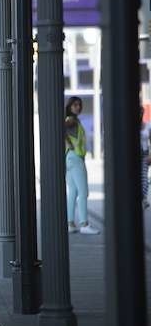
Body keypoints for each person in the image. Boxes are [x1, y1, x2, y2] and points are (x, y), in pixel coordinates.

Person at [65, 96, 100, 235]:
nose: (78, 107)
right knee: (84, 191)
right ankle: (84, 224)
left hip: (71, 159)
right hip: (75, 158)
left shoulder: (74, 120)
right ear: (69, 106)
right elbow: (61, 127)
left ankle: (70, 223)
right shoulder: (71, 120)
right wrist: (69, 145)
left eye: (79, 105)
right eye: (74, 105)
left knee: (73, 192)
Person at [140, 107, 151, 209]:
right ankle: (142, 199)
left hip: (144, 154)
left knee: (144, 178)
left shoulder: (148, 126)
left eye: (141, 112)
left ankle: (143, 198)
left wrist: (150, 155)